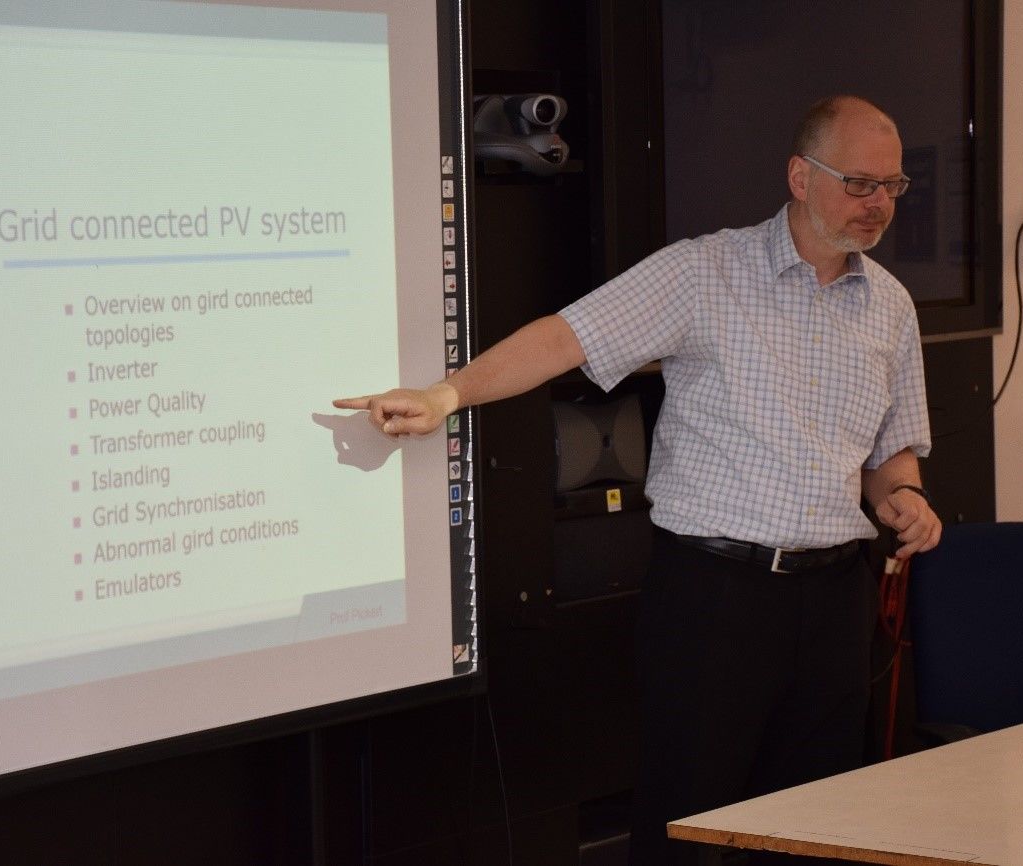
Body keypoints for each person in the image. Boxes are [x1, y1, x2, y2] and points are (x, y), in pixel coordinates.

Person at [335, 95, 941, 865]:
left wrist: (905, 498)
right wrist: (445, 395)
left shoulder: (887, 305)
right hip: (717, 598)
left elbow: (891, 454)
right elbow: (566, 336)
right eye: (860, 183)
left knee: (818, 825)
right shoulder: (704, 271)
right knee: (686, 822)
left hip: (833, 602)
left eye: (892, 187)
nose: (878, 204)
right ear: (799, 175)